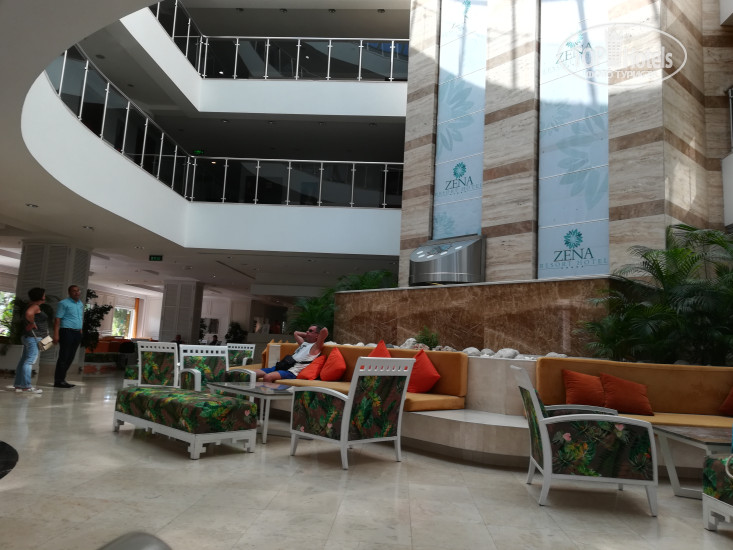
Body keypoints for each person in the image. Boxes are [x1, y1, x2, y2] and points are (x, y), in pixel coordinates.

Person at [253, 325, 328, 382]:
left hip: (292, 372)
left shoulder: (316, 346)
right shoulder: (304, 344)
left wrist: (316, 336)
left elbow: (324, 331)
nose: (307, 332)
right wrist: (308, 334)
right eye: (307, 330)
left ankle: (266, 398)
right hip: (282, 366)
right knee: (252, 373)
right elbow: (296, 333)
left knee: (267, 377)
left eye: (310, 331)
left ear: (317, 335)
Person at [13, 287, 48, 394]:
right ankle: (26, 386)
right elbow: (29, 313)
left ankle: (19, 385)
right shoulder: (35, 306)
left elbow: (28, 313)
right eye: (44, 294)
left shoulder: (30, 305)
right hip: (33, 337)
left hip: (28, 337)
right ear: (40, 296)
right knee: (29, 361)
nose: (45, 296)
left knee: (24, 360)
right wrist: (32, 323)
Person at [52, 285, 84, 388]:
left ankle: (62, 379)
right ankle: (58, 381)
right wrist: (56, 334)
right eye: (74, 291)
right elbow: (57, 319)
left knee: (71, 357)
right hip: (66, 331)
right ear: (69, 293)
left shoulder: (80, 303)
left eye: (78, 290)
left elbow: (79, 317)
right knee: (64, 356)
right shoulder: (63, 303)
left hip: (77, 332)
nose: (76, 292)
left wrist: (80, 329)